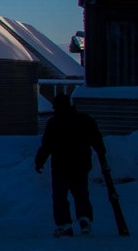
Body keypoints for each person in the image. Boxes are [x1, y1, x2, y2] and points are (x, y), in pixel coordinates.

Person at [35, 94, 108, 237]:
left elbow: (47, 145)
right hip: (81, 164)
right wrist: (101, 153)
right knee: (81, 193)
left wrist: (39, 161)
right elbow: (96, 139)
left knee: (60, 196)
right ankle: (84, 218)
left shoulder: (54, 123)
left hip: (61, 166)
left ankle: (64, 224)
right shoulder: (85, 120)